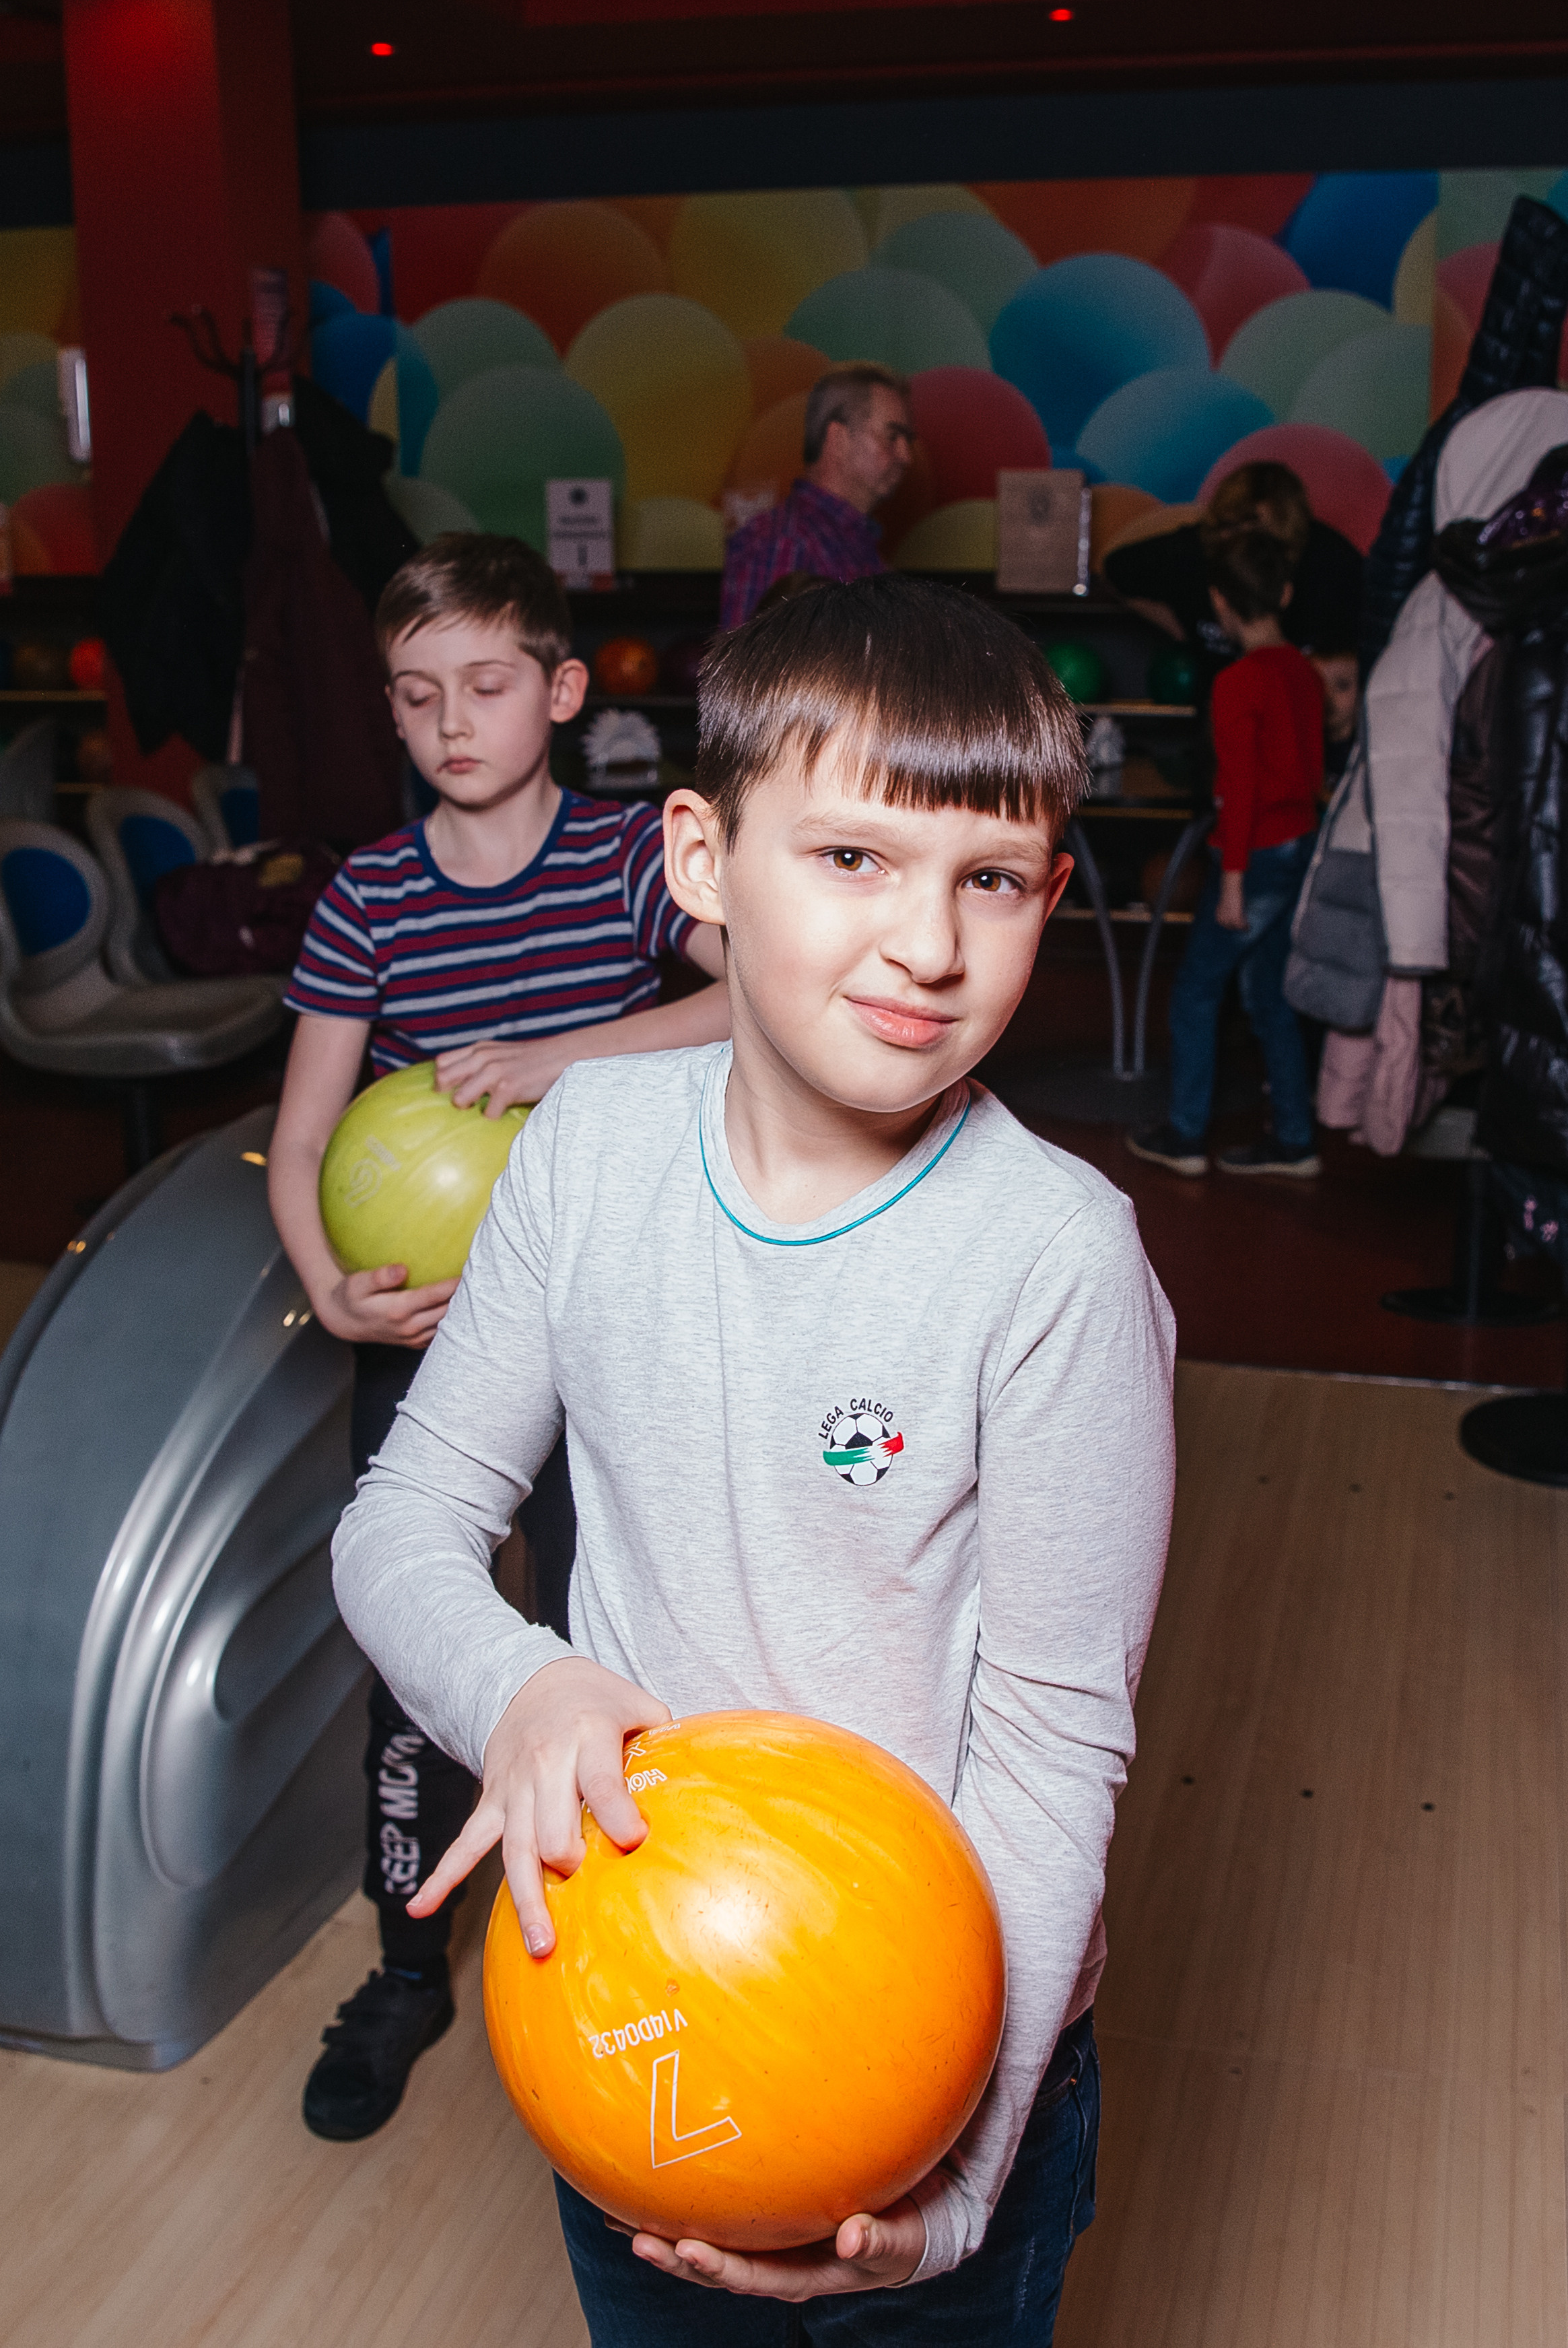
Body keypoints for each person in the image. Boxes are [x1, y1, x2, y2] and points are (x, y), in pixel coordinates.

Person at [332, 574, 1176, 2343]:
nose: (930, 944)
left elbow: (1050, 1739)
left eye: (993, 878)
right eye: (853, 858)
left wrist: (954, 2182)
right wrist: (521, 1682)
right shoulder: (587, 1149)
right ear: (701, 863)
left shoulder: (1056, 1259)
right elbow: (405, 1516)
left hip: (940, 2042)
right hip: (640, 2010)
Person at [268, 531, 729, 2143]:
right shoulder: (369, 894)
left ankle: (651, 1934)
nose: (449, 721)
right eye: (414, 695)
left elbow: (753, 999)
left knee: (626, 1634)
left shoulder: (629, 862)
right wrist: (328, 1282)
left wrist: (557, 1058)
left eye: (482, 684)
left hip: (614, 1327)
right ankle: (406, 1961)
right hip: (433, 1347)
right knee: (419, 1648)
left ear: (558, 687)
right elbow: (310, 1119)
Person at [1130, 531, 1324, 1180]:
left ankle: (1185, 1134)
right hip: (1299, 848)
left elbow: (1240, 789)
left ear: (1219, 602)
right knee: (1269, 998)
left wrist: (1233, 881)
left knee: (1194, 996)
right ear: (1286, 594)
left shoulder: (1238, 682)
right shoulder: (1303, 670)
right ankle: (1295, 1140)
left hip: (1254, 857)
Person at [1103, 461, 1363, 681]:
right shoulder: (1192, 550)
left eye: (1262, 541)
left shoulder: (1334, 565)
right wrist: (1182, 627)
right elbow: (1114, 570)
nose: (1245, 548)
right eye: (1233, 531)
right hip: (1220, 712)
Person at [720, 364, 914, 629]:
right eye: (892, 436)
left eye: (907, 440)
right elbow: (760, 667)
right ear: (838, 439)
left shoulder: (855, 544)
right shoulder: (785, 543)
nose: (906, 456)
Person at [1310, 644, 1361, 787]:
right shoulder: (1301, 749)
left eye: (1342, 686)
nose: (1328, 696)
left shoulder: (1365, 754)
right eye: (1318, 685)